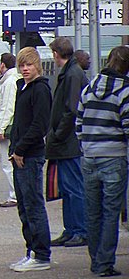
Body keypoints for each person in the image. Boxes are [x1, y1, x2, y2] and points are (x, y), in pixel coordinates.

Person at [75, 45, 129, 278]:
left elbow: (78, 125)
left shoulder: (88, 89)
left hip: (89, 158)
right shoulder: (125, 92)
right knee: (110, 213)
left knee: (93, 212)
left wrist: (88, 146)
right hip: (114, 157)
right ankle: (104, 263)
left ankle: (95, 259)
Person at [9, 46, 53, 272]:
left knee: (34, 205)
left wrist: (21, 149)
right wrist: (14, 148)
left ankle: (41, 255)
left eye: (29, 64)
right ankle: (31, 251)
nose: (25, 69)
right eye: (22, 65)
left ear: (38, 65)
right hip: (19, 155)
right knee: (24, 208)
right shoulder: (23, 88)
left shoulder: (40, 90)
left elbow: (40, 125)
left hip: (30, 156)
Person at [46, 37, 88, 248]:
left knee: (74, 187)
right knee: (66, 188)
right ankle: (70, 229)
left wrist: (56, 134)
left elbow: (71, 110)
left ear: (56, 53)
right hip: (65, 143)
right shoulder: (71, 72)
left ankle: (80, 230)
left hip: (68, 143)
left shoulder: (71, 74)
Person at [0, 52, 19, 207]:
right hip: (12, 127)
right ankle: (16, 194)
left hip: (8, 129)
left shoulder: (9, 82)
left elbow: (7, 107)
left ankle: (14, 196)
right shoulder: (12, 79)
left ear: (2, 65)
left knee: (7, 163)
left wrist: (0, 129)